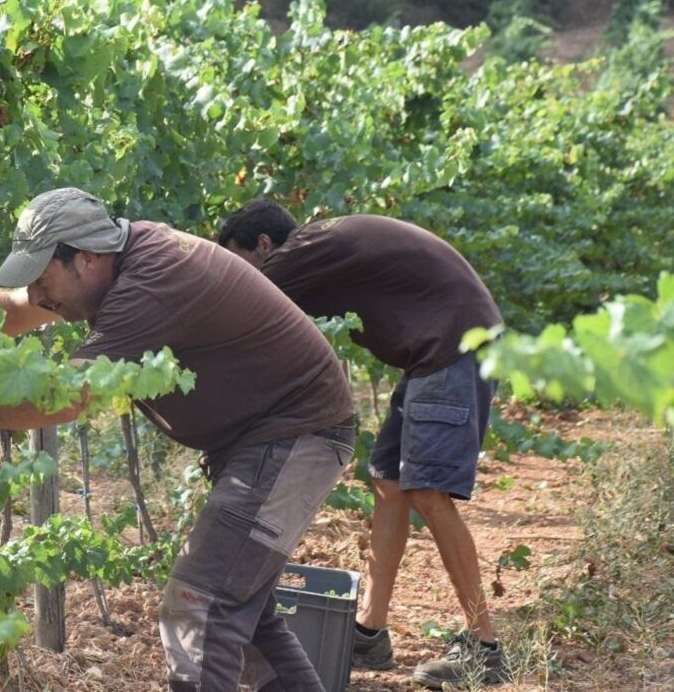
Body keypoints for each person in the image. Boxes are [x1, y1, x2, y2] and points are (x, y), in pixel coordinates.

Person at [0, 187, 357, 692]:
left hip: (293, 437)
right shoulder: (118, 260)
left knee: (197, 606)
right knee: (245, 620)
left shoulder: (148, 281)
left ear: (86, 257)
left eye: (43, 279)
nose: (39, 297)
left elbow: (63, 398)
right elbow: (18, 307)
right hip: (272, 440)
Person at [218, 198, 509, 691]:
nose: (245, 271)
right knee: (389, 483)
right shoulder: (321, 246)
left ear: (265, 245)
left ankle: (485, 649)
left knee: (427, 492)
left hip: (453, 347)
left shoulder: (298, 252)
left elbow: (233, 305)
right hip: (436, 352)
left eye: (239, 258)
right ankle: (370, 632)